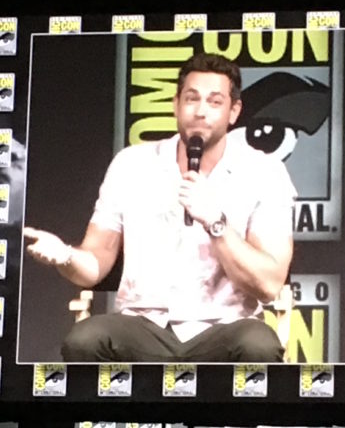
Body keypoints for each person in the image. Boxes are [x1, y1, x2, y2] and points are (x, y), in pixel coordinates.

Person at [23, 52, 297, 362]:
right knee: (85, 340)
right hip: (142, 325)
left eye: (214, 102)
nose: (201, 112)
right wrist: (66, 256)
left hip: (226, 325)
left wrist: (216, 223)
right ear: (176, 105)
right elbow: (95, 263)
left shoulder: (265, 172)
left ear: (234, 111)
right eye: (191, 99)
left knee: (258, 346)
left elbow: (269, 284)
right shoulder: (131, 164)